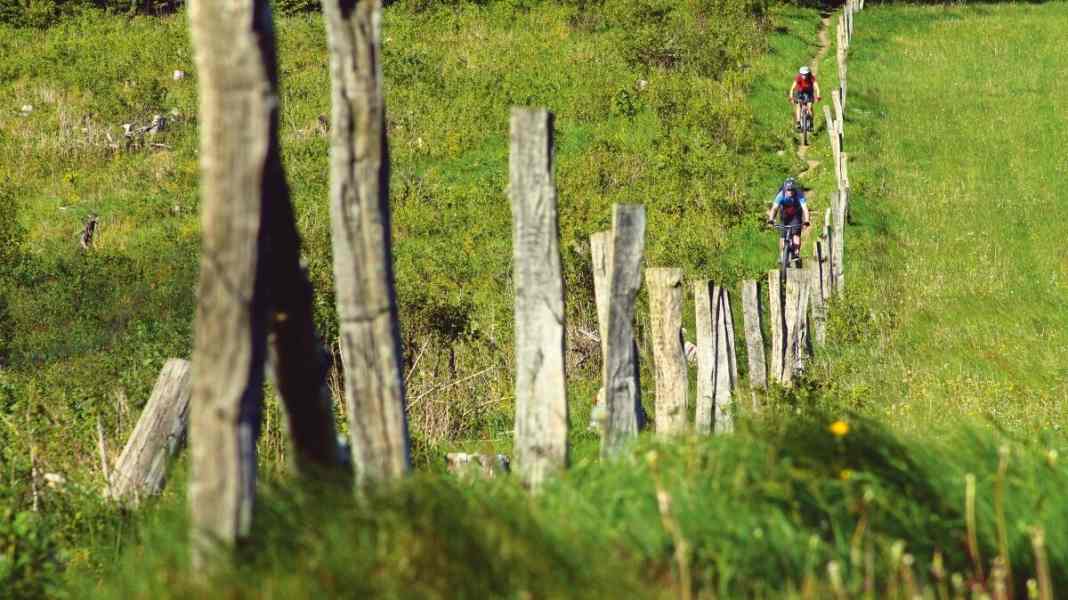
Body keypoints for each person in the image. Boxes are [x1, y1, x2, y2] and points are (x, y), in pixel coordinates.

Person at [766, 177, 810, 264]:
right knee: (783, 235)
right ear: (785, 189)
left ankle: (796, 253)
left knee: (796, 234)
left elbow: (805, 209)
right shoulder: (781, 195)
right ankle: (782, 255)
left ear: (795, 190)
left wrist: (806, 220)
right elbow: (774, 208)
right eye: (788, 190)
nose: (790, 192)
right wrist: (771, 219)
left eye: (792, 190)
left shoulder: (799, 195)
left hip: (796, 215)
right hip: (784, 216)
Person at [788, 66, 821, 131]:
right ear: (800, 74)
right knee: (798, 106)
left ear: (808, 74)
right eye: (802, 74)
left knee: (810, 107)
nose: (804, 76)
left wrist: (818, 96)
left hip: (809, 92)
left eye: (805, 74)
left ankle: (811, 123)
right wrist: (791, 97)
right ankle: (798, 122)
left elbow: (817, 87)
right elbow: (792, 88)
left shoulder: (811, 77)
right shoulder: (798, 77)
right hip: (799, 92)